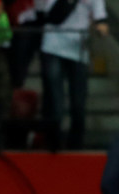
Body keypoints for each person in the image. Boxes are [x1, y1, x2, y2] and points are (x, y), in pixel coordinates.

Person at [40, 0, 108, 150]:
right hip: (53, 46)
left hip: (79, 51)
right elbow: (52, 16)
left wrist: (100, 28)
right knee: (55, 103)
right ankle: (53, 145)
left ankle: (75, 146)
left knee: (78, 103)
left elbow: (101, 20)